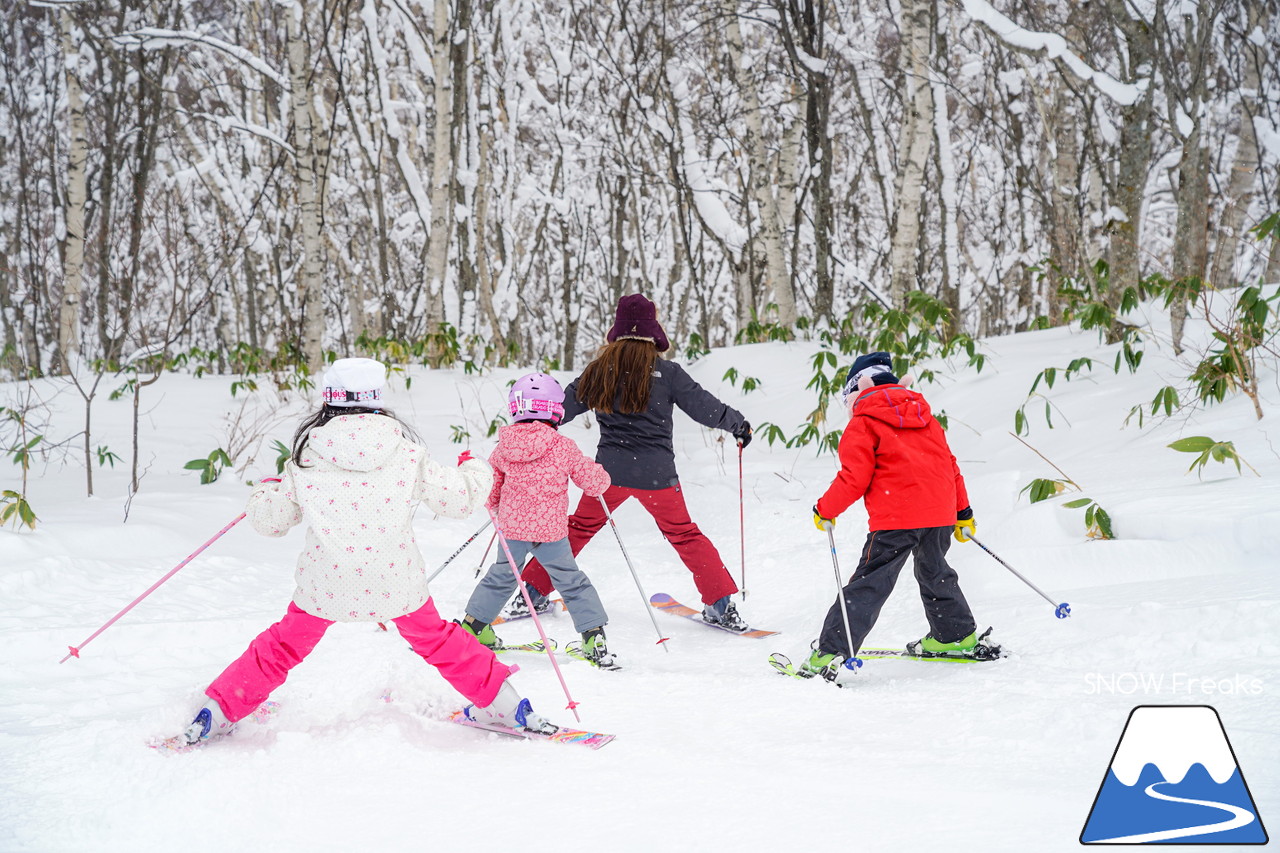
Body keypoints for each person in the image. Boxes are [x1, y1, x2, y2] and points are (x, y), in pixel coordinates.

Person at [173, 357, 556, 746]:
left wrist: (266, 491)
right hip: (396, 583)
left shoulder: (307, 457)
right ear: (377, 400)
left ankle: (218, 711)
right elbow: (458, 500)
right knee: (440, 641)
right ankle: (507, 706)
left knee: (283, 645)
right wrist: (475, 468)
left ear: (329, 400)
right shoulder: (407, 453)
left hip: (326, 586)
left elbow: (271, 521)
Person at [512, 294, 755, 631]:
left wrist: (529, 426)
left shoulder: (600, 370)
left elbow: (560, 408)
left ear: (618, 329)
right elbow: (704, 406)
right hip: (657, 476)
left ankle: (531, 593)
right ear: (653, 330)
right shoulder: (668, 373)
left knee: (577, 529)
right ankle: (720, 604)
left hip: (608, 475)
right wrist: (737, 424)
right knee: (685, 535)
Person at [799, 351, 999, 682]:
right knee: (936, 573)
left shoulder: (864, 422)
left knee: (872, 582)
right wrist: (963, 513)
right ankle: (954, 636)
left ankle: (831, 651)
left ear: (856, 391)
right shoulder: (927, 418)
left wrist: (825, 509)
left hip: (896, 518)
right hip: (939, 515)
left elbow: (854, 477)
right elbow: (950, 466)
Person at [457, 373, 618, 668]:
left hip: (513, 530)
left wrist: (496, 506)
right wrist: (601, 477)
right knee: (571, 581)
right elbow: (593, 482)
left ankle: (473, 626)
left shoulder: (503, 447)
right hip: (551, 532)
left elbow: (491, 491)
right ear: (555, 410)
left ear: (516, 409)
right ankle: (594, 635)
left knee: (501, 577)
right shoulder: (563, 446)